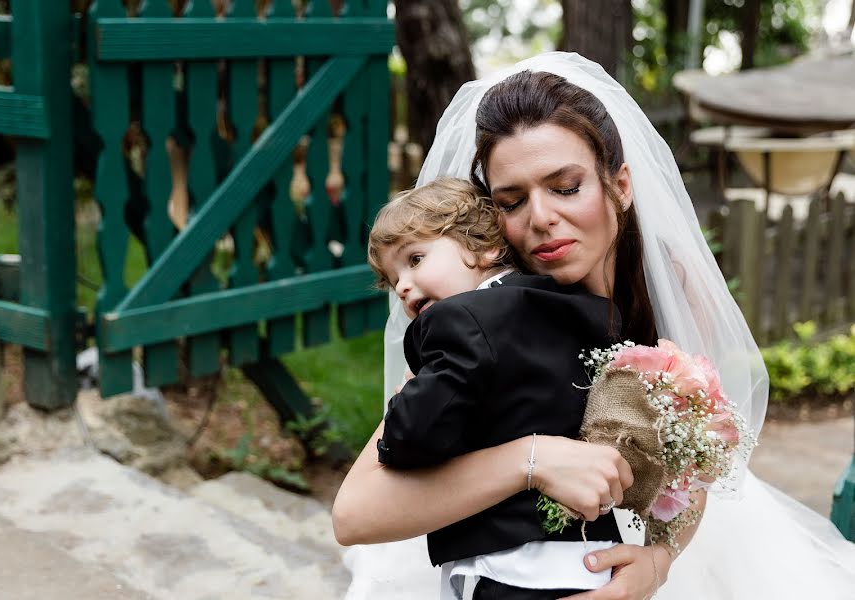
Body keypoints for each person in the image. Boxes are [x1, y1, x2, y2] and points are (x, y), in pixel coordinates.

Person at [333, 53, 855, 600]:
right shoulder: (480, 322)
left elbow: (692, 460)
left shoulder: (668, 290)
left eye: (565, 187)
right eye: (512, 201)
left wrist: (658, 561)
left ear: (620, 185)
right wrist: (532, 460)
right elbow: (355, 515)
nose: (539, 218)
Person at [368, 177, 630, 598]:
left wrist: (400, 412)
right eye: (392, 278)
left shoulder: (458, 321)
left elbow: (419, 431)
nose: (401, 285)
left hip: (509, 566)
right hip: (590, 553)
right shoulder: (577, 306)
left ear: (484, 247)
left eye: (415, 259)